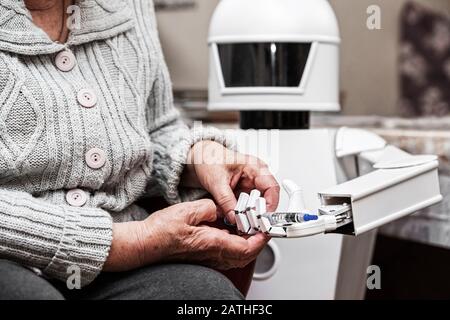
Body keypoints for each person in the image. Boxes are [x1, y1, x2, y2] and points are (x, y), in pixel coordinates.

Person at [0, 0, 280, 300]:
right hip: (13, 256)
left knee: (208, 296)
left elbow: (154, 128)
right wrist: (130, 241)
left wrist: (200, 158)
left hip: (121, 265)